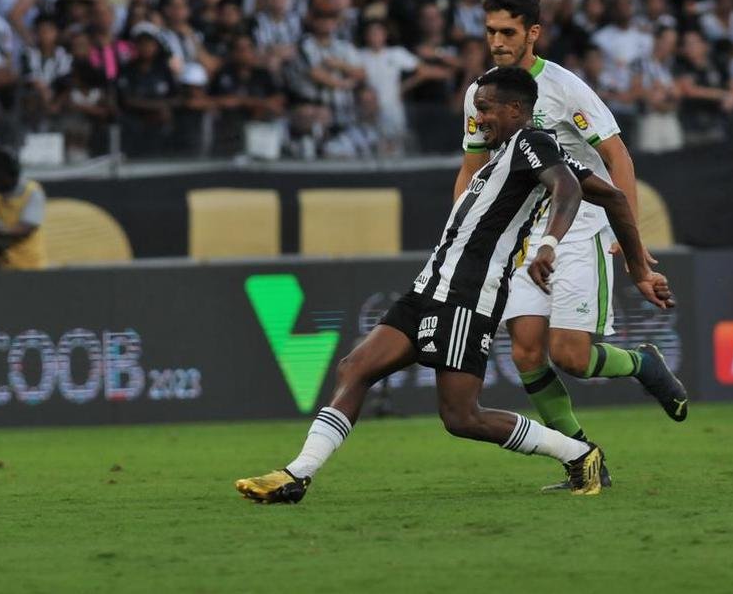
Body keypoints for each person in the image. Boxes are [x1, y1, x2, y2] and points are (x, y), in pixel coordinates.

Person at [235, 66, 674, 503]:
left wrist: (550, 245)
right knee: (356, 367)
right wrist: (638, 267)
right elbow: (612, 196)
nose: (478, 118)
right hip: (430, 287)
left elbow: (570, 190)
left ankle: (579, 454)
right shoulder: (506, 155)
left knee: (462, 417)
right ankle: (298, 474)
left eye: (485, 108)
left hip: (467, 295)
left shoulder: (533, 142)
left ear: (516, 109)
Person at [456, 0, 689, 492]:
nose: (496, 41)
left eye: (507, 32)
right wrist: (462, 233)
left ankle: (643, 364)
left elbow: (617, 155)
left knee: (571, 357)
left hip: (580, 227)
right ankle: (583, 460)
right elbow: (472, 168)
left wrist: (627, 235)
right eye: (490, 31)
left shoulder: (565, 88)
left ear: (532, 33)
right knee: (525, 352)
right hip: (524, 233)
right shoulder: (481, 95)